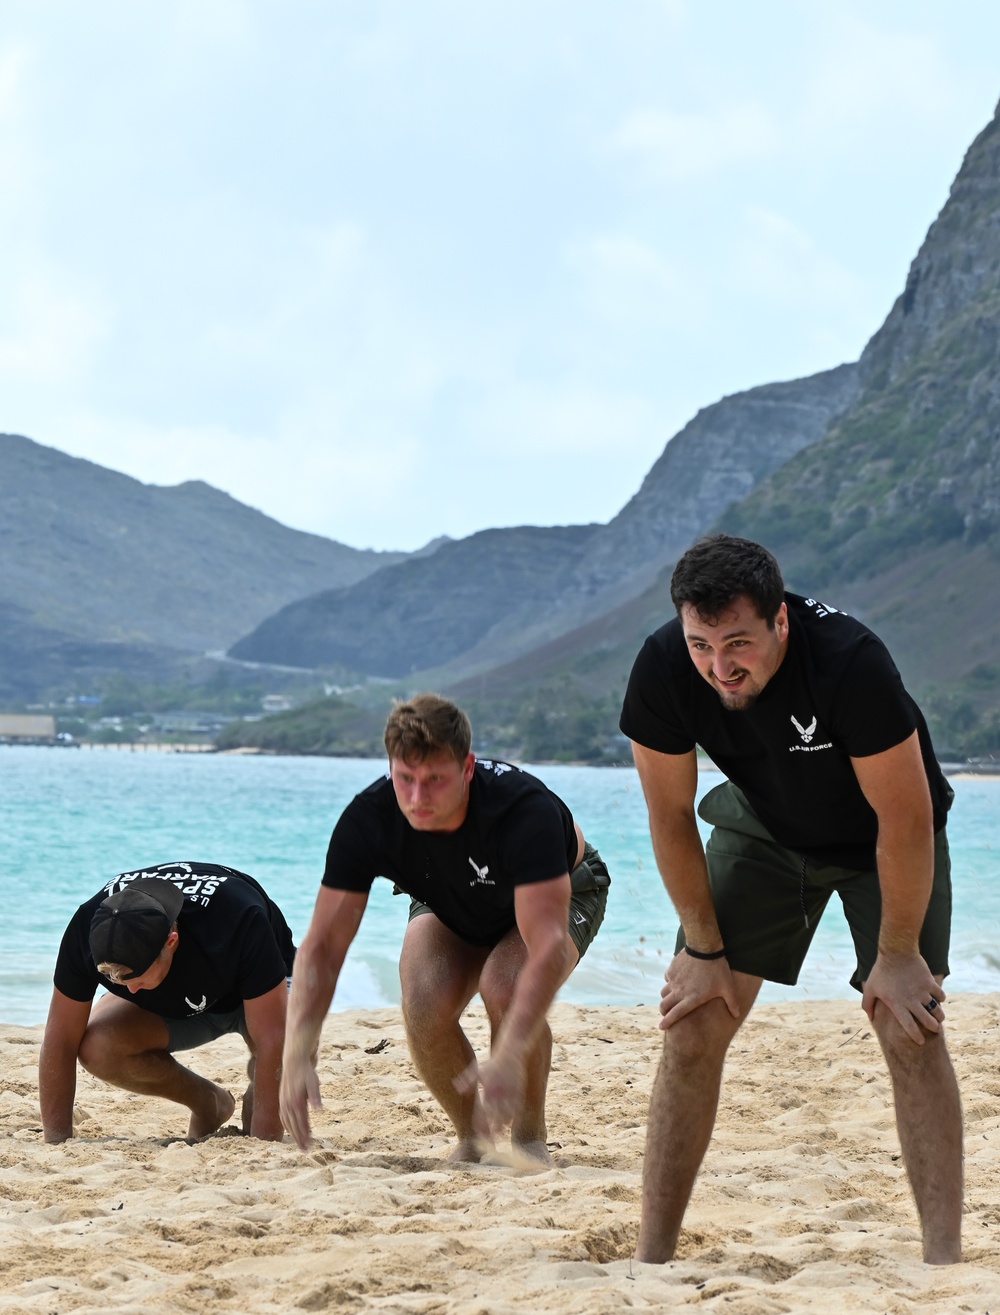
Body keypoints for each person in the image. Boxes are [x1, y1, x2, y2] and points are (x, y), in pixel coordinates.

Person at [619, 533, 962, 1266]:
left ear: (780, 621)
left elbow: (903, 821)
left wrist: (897, 955)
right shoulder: (662, 668)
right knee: (692, 1020)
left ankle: (942, 1266)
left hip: (887, 839)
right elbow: (670, 818)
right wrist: (703, 949)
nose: (719, 666)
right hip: (768, 826)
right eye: (701, 644)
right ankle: (651, 1262)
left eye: (737, 642)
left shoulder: (848, 662)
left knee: (910, 1023)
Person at [279, 693, 610, 1162]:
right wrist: (298, 1051)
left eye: (435, 780)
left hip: (564, 890)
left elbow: (548, 944)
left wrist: (510, 1052)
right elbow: (323, 945)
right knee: (422, 1002)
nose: (418, 799)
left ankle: (530, 1140)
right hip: (451, 896)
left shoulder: (521, 810)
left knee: (506, 987)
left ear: (467, 768)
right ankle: (473, 1139)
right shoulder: (369, 819)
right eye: (405, 779)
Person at [40, 862, 295, 1143]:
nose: (131, 990)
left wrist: (264, 1142)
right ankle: (209, 1103)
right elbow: (60, 1039)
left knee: (289, 1057)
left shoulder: (238, 918)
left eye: (134, 976)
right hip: (182, 996)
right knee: (98, 1047)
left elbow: (274, 1038)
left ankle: (252, 1097)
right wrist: (56, 1141)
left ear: (170, 942)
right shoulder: (87, 926)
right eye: (117, 979)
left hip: (256, 991)